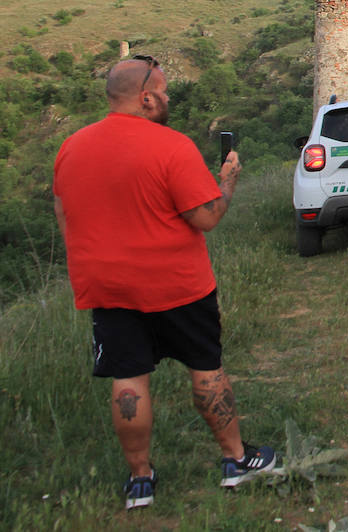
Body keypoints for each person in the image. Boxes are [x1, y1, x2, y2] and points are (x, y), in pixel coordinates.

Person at [52, 55, 278, 511]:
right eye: (165, 89)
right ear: (147, 97)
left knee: (127, 378)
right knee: (205, 366)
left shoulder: (71, 148)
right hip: (178, 284)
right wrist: (227, 183)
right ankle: (235, 460)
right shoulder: (171, 146)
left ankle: (140, 479)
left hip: (109, 287)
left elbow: (63, 213)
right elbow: (206, 217)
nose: (170, 97)